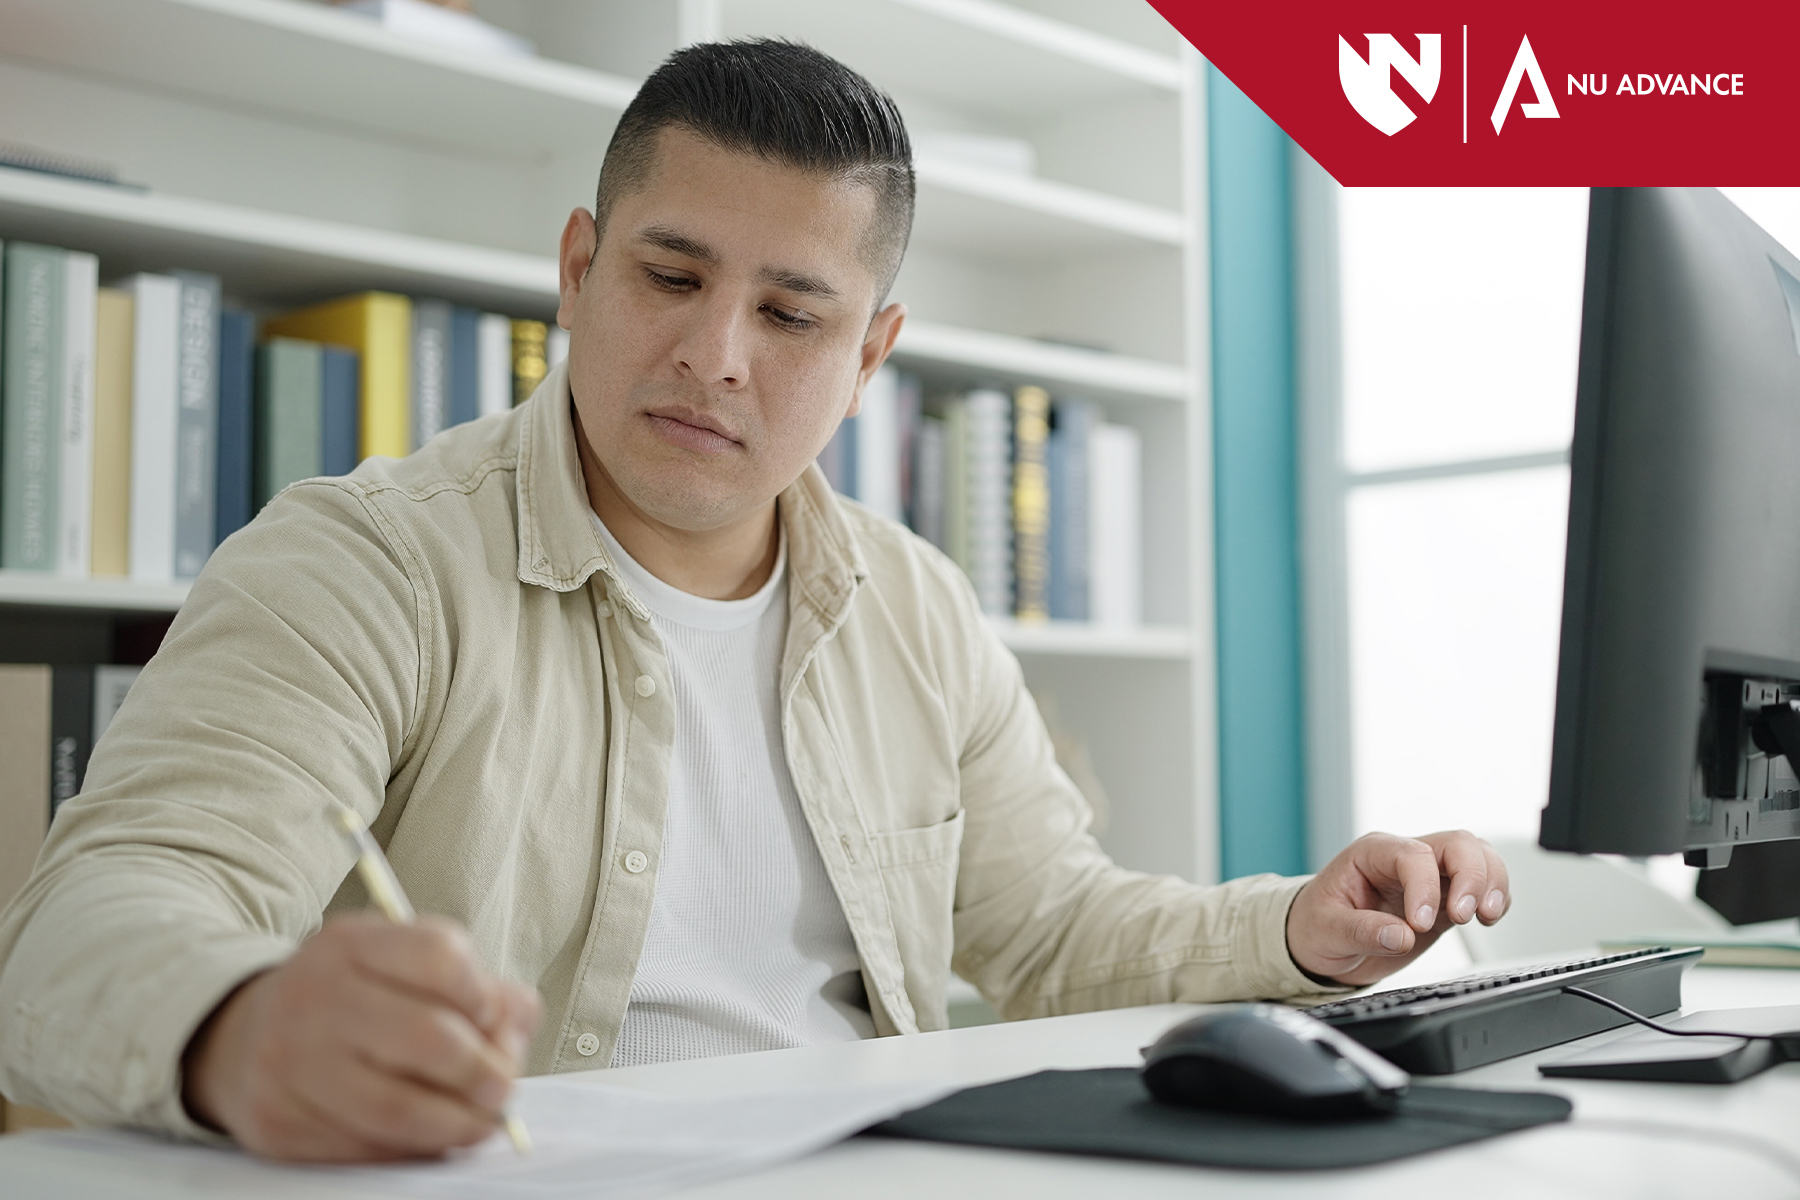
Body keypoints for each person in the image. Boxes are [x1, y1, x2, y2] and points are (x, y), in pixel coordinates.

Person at [0, 40, 1510, 1163]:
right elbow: (87, 928)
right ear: (579, 270)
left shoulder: (914, 607)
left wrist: (1301, 937)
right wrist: (239, 1027)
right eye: (669, 277)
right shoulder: (361, 562)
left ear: (871, 354)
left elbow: (1053, 931)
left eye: (792, 313)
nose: (717, 355)